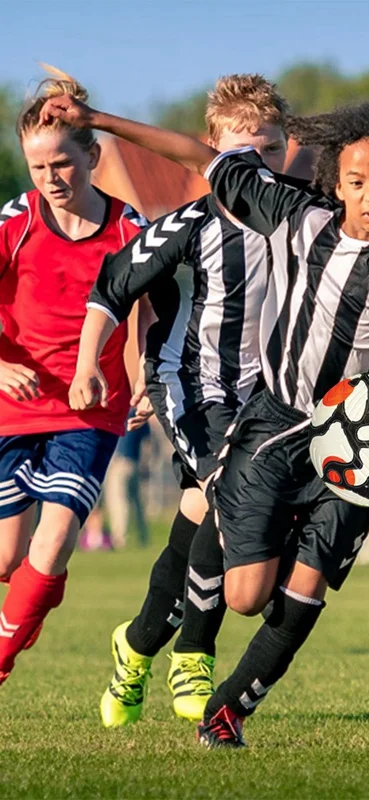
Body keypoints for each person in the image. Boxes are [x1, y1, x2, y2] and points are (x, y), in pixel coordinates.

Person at [39, 91, 369, 748]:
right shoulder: (297, 215)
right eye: (357, 181)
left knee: (306, 589)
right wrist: (99, 121)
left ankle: (228, 713)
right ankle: (186, 628)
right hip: (272, 429)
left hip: (359, 446)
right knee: (245, 596)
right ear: (335, 182)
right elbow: (198, 156)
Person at [67, 75, 292, 727]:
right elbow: (113, 288)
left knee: (200, 515)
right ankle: (193, 652)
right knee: (231, 500)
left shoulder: (298, 220)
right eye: (241, 156)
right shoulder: (190, 226)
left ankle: (135, 647)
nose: (257, 171)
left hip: (262, 401)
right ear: (214, 154)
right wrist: (91, 366)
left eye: (270, 152)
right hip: (191, 388)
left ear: (285, 150)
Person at [0, 68, 147, 686]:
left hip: (90, 407)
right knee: (10, 560)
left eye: (62, 163)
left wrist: (144, 380)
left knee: (55, 541)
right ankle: (33, 597)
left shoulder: (129, 229)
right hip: (14, 400)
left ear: (91, 155)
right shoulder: (15, 220)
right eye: (38, 168)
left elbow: (150, 312)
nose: (50, 179)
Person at [104, 413, 152, 549]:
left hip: (119, 463)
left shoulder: (118, 413)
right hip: (135, 463)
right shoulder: (139, 414)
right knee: (137, 503)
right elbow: (147, 443)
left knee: (119, 502)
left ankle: (120, 539)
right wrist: (145, 464)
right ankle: (143, 536)